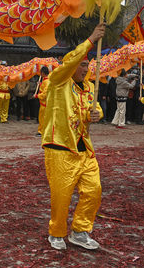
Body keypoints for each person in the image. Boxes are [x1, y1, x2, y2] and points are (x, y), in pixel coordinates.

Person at [41, 23, 105, 251]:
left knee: (93, 189)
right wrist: (90, 39)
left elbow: (92, 110)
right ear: (72, 66)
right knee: (62, 195)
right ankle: (57, 233)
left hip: (84, 149)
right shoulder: (58, 82)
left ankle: (80, 231)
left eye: (88, 65)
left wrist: (96, 114)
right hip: (60, 148)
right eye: (82, 64)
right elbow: (68, 64)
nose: (85, 69)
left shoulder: (88, 88)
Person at [36, 66, 50, 137]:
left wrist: (38, 96)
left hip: (45, 103)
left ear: (43, 73)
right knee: (41, 117)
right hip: (43, 103)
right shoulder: (45, 81)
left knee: (43, 118)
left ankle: (42, 131)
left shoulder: (47, 82)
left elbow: (45, 93)